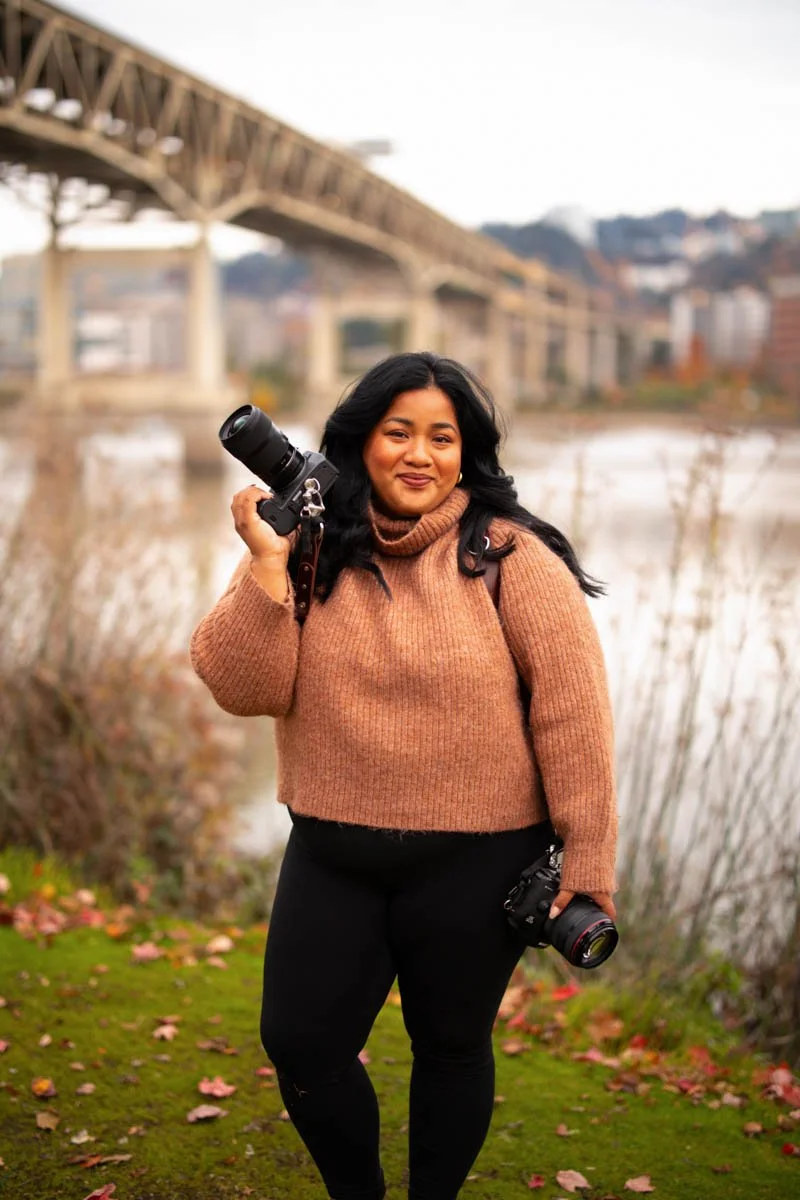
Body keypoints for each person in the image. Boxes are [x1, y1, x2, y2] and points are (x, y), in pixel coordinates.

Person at [190, 351, 617, 1200]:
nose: (419, 454)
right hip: (332, 853)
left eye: (442, 437)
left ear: (468, 453)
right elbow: (244, 688)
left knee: (452, 1048)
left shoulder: (511, 558)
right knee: (302, 1043)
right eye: (398, 433)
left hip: (479, 863)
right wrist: (266, 572)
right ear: (361, 442)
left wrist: (590, 865)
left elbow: (574, 719)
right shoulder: (309, 543)